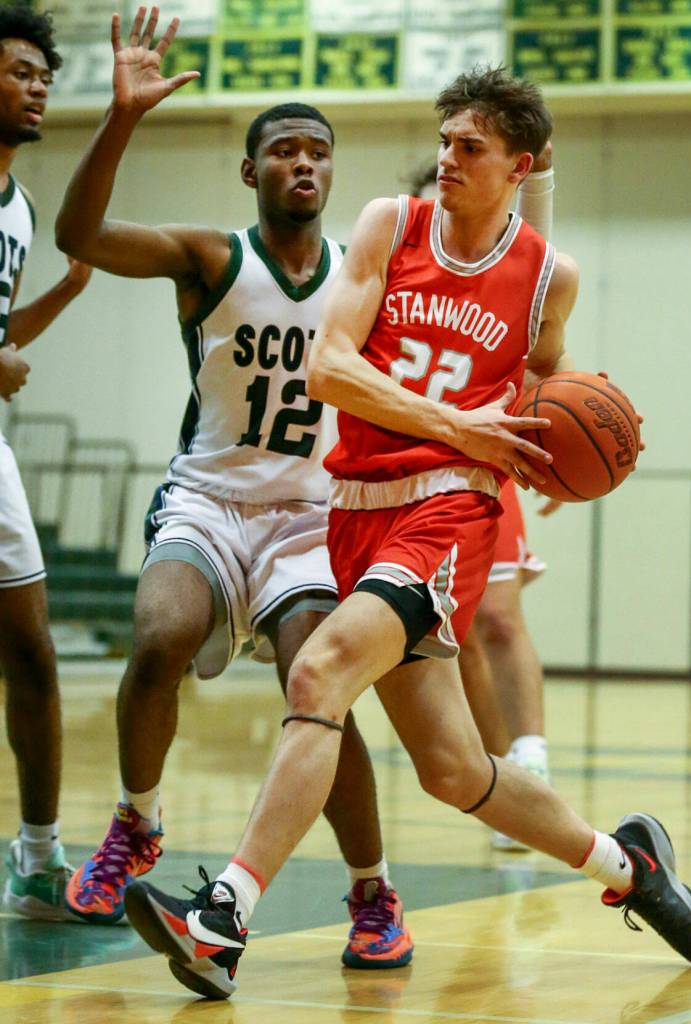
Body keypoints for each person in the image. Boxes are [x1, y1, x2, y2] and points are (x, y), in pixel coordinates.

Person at [124, 63, 691, 1000]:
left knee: (316, 671)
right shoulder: (388, 225)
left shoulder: (549, 275)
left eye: (468, 147)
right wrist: (460, 421)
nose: (445, 158)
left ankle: (222, 919)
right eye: (442, 141)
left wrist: (546, 447)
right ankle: (627, 867)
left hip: (449, 514)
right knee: (451, 771)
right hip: (355, 509)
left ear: (516, 165)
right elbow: (329, 369)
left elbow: (538, 384)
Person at [55, 7, 411, 969]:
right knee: (161, 634)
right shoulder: (210, 258)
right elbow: (76, 232)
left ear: (331, 171)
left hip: (308, 516)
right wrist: (122, 114)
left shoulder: (360, 279)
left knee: (319, 687)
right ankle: (136, 822)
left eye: (318, 151)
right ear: (250, 172)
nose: (304, 164)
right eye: (283, 151)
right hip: (208, 500)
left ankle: (374, 894)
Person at [410, 153, 560, 850]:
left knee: (499, 615)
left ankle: (532, 757)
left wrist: (556, 455)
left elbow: (537, 292)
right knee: (455, 634)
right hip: (408, 468)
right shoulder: (393, 270)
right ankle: (504, 781)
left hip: (484, 460)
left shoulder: (502, 275)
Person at [0, 3, 93, 921]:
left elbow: (1, 337)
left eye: (43, 77)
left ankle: (36, 860)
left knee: (31, 649)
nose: (37, 89)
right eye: (20, 71)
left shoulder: (22, 208)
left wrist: (63, 294)